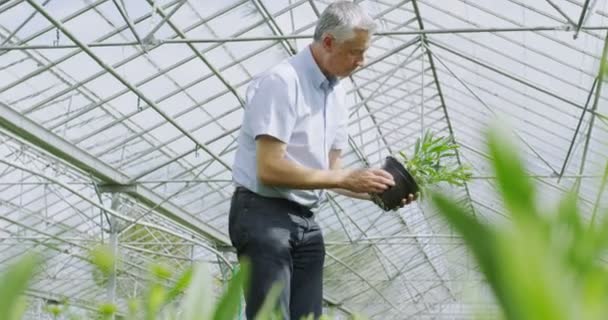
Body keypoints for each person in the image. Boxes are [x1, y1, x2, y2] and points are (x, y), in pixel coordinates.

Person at [229, 2, 415, 319]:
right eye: (355, 52)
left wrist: (376, 190)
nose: (362, 61)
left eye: (364, 52)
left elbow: (332, 173)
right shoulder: (282, 82)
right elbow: (269, 168)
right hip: (263, 214)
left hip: (305, 221)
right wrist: (343, 179)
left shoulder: (337, 93)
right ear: (328, 41)